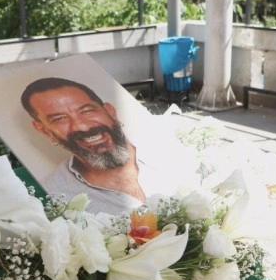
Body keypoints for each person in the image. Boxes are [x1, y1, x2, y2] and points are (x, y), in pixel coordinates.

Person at [21, 77, 172, 215]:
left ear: (111, 112)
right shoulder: (51, 195)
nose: (82, 126)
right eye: (60, 118)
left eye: (87, 111)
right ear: (45, 131)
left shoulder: (169, 149)